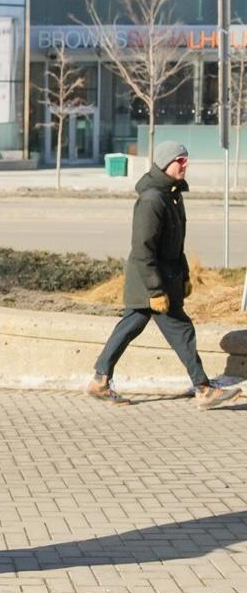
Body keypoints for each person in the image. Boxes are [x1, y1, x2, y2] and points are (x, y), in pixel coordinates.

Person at [87, 141, 242, 409]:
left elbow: (175, 247)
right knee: (182, 330)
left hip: (163, 279)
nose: (185, 165)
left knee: (129, 327)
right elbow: (143, 250)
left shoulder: (172, 195)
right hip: (151, 282)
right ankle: (203, 389)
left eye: (186, 159)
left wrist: (184, 277)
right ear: (165, 163)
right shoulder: (152, 200)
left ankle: (100, 380)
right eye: (179, 160)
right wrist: (156, 290)